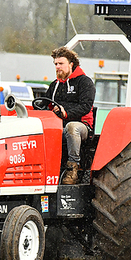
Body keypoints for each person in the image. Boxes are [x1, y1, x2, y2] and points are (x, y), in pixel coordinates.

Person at [44, 46, 95, 185]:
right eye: (55, 64)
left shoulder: (84, 82)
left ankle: (73, 168)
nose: (57, 67)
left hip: (81, 126)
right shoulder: (55, 85)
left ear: (71, 64)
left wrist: (66, 112)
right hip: (58, 125)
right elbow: (44, 103)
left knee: (72, 128)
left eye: (61, 63)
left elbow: (85, 107)